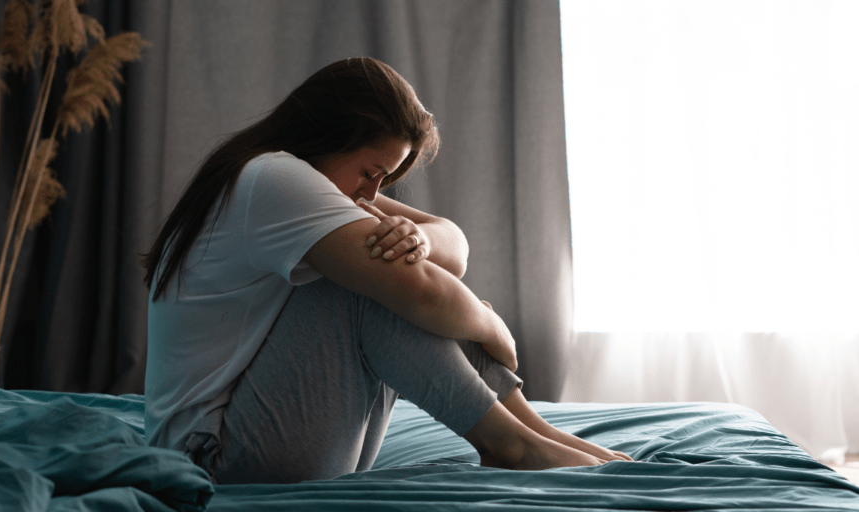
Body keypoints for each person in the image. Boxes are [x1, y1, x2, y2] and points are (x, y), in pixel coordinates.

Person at [138, 57, 631, 484]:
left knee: (392, 264)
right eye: (371, 173)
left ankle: (531, 433)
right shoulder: (275, 180)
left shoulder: (302, 182)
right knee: (365, 284)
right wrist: (490, 322)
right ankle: (510, 444)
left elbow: (452, 243)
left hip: (264, 439)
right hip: (211, 460)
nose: (373, 195)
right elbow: (425, 296)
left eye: (386, 179)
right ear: (327, 137)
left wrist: (421, 237)